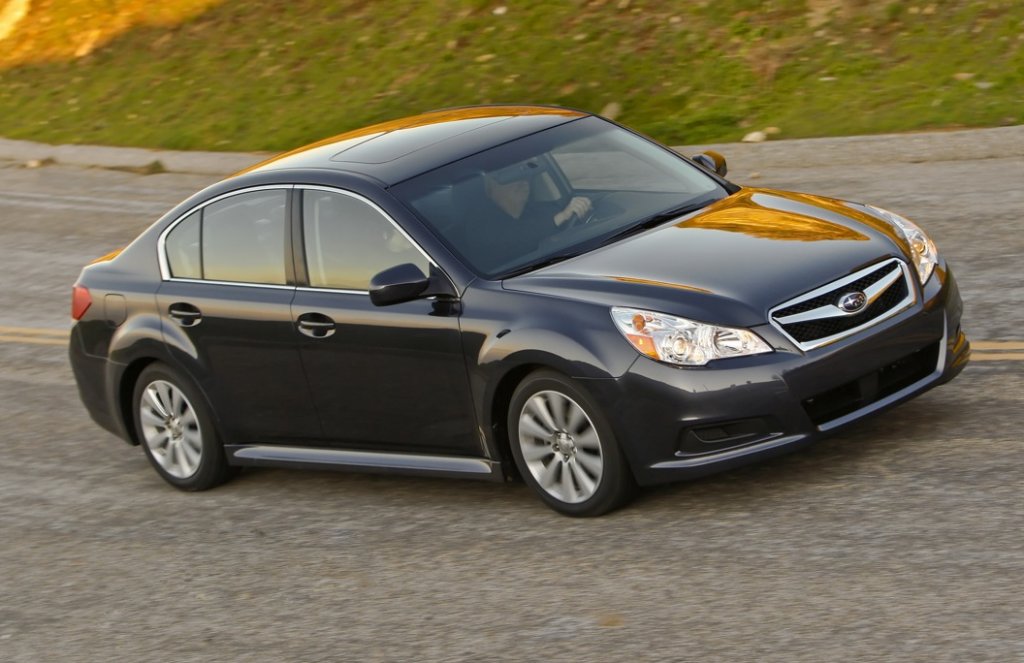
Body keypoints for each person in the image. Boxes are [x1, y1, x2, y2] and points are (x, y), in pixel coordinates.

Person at [465, 159, 592, 271]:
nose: (523, 183)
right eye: (510, 176)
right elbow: (513, 241)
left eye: (524, 175)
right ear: (489, 187)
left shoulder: (537, 210)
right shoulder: (479, 228)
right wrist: (560, 217)